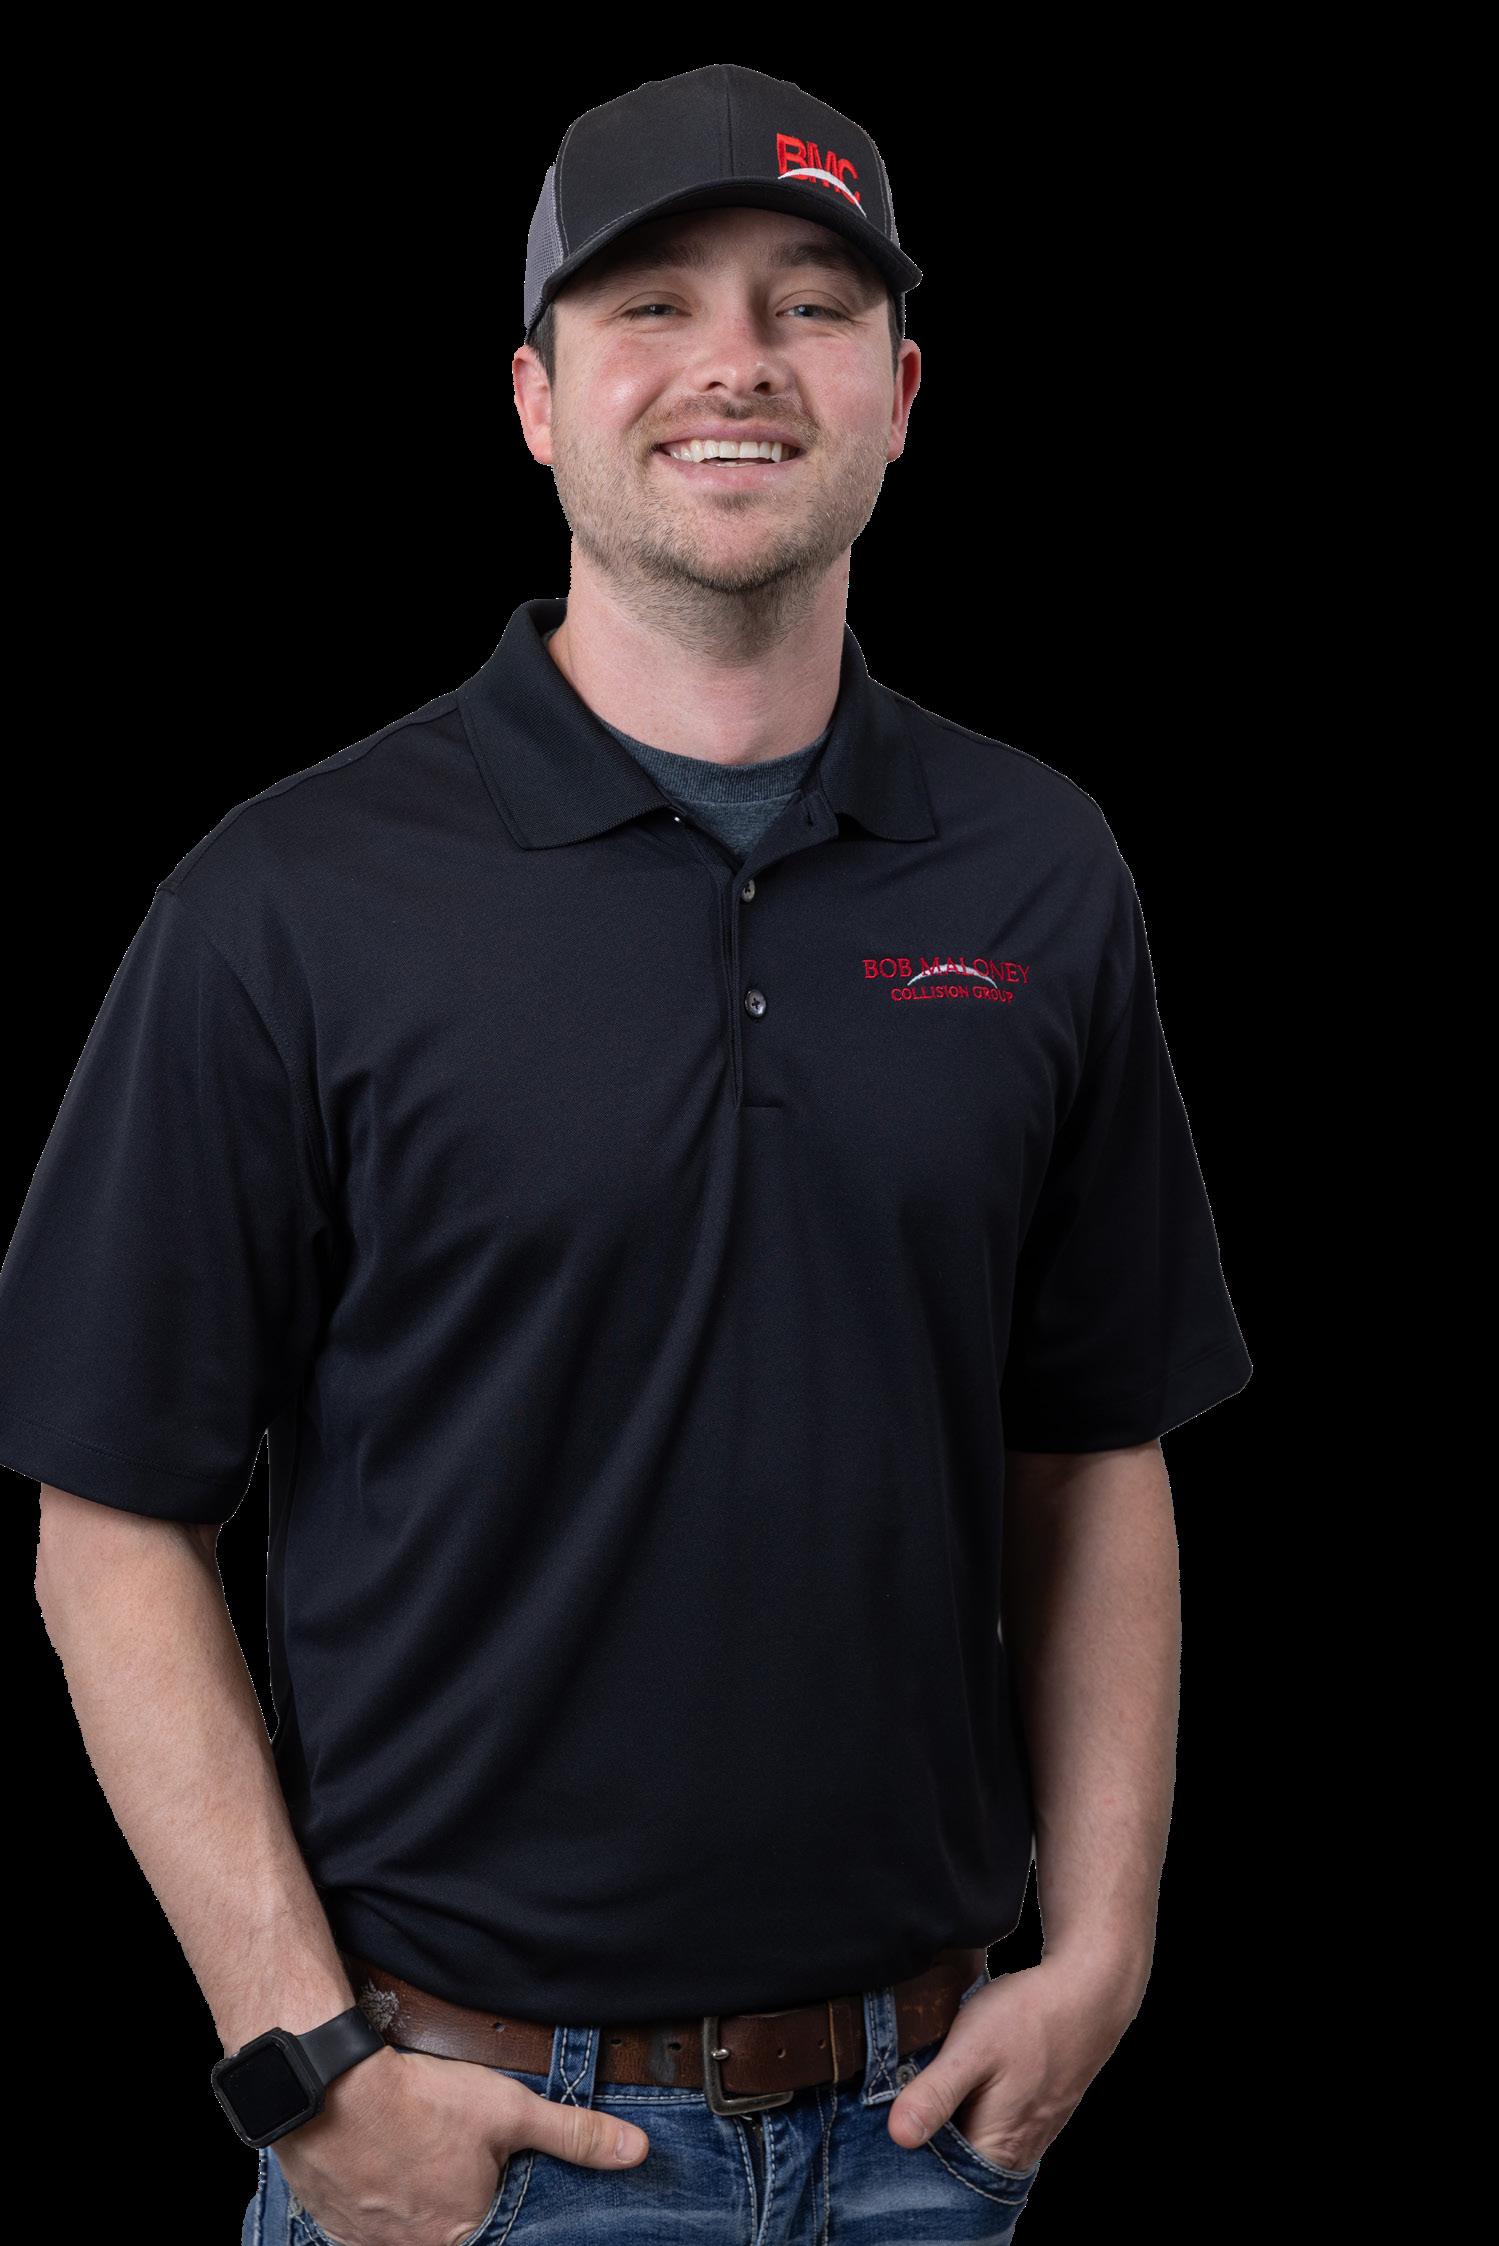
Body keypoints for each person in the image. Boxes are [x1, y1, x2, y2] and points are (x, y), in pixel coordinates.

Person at [1, 63, 1253, 2246]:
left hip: (934, 2132)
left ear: (898, 395)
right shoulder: (288, 901)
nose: (734, 363)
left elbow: (1092, 1445)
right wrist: (302, 2063)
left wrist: (1112, 1944)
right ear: (535, 399)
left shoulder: (1041, 869)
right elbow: (112, 1523)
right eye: (652, 304)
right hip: (479, 2144)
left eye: (810, 306)